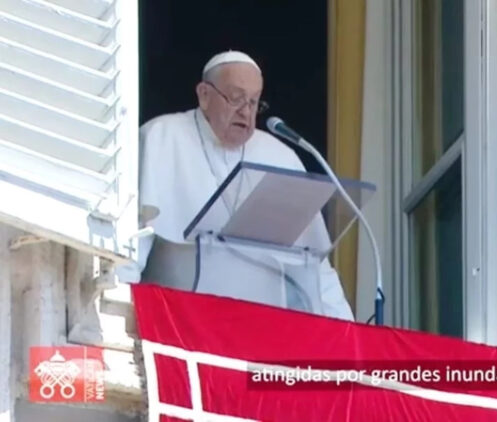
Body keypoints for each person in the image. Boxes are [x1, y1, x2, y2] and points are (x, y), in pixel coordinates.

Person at [119, 50, 354, 321]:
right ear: (204, 95)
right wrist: (116, 308)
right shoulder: (161, 137)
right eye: (236, 98)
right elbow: (132, 239)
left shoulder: (281, 157)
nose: (246, 112)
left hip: (261, 326)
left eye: (254, 102)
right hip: (177, 319)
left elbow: (312, 261)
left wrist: (346, 326)